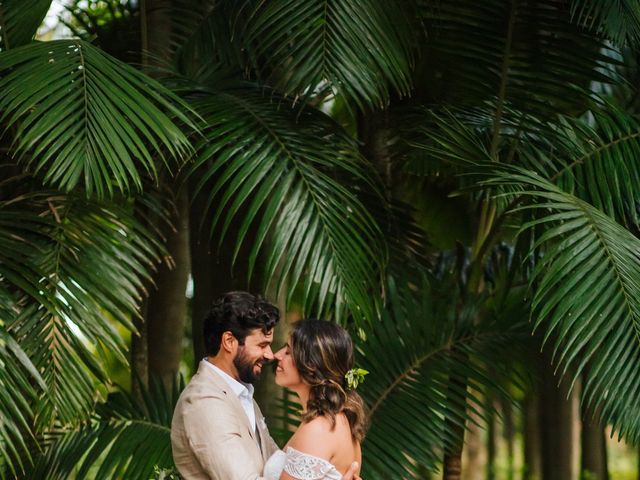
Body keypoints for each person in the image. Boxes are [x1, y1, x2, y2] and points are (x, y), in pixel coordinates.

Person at [171, 292, 360, 480]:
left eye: (286, 350)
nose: (271, 355)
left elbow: (282, 469)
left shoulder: (242, 397)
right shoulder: (205, 402)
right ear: (229, 342)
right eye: (262, 345)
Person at [263, 319, 366, 480]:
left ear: (311, 365)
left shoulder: (320, 428)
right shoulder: (339, 421)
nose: (277, 355)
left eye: (288, 352)